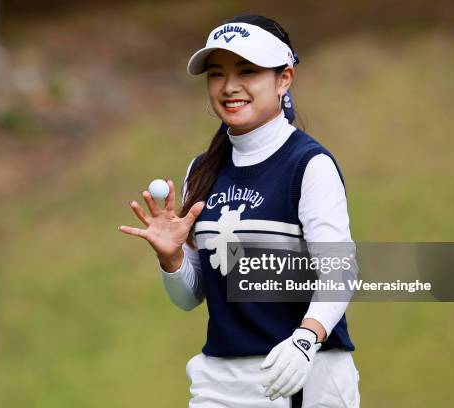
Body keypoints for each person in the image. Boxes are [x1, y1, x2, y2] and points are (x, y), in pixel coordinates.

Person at [118, 14, 360, 408]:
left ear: (284, 79)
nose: (230, 87)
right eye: (217, 74)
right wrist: (173, 258)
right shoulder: (203, 169)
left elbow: (340, 271)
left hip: (305, 377)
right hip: (220, 382)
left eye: (247, 71)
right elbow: (190, 296)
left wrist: (305, 339)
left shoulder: (309, 165)